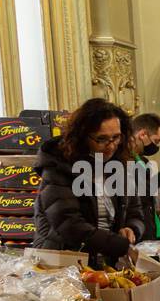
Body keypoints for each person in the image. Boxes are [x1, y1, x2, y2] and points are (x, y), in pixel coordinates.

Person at [33, 98, 145, 266]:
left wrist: (132, 228)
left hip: (104, 263)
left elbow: (135, 211)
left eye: (116, 137)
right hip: (64, 264)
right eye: (101, 139)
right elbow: (70, 225)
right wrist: (119, 245)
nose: (111, 146)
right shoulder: (57, 168)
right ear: (82, 137)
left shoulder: (118, 165)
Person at [131, 113, 160, 240]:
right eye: (156, 141)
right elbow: (139, 193)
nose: (156, 146)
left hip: (152, 230)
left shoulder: (143, 162)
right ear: (142, 135)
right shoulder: (126, 161)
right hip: (140, 233)